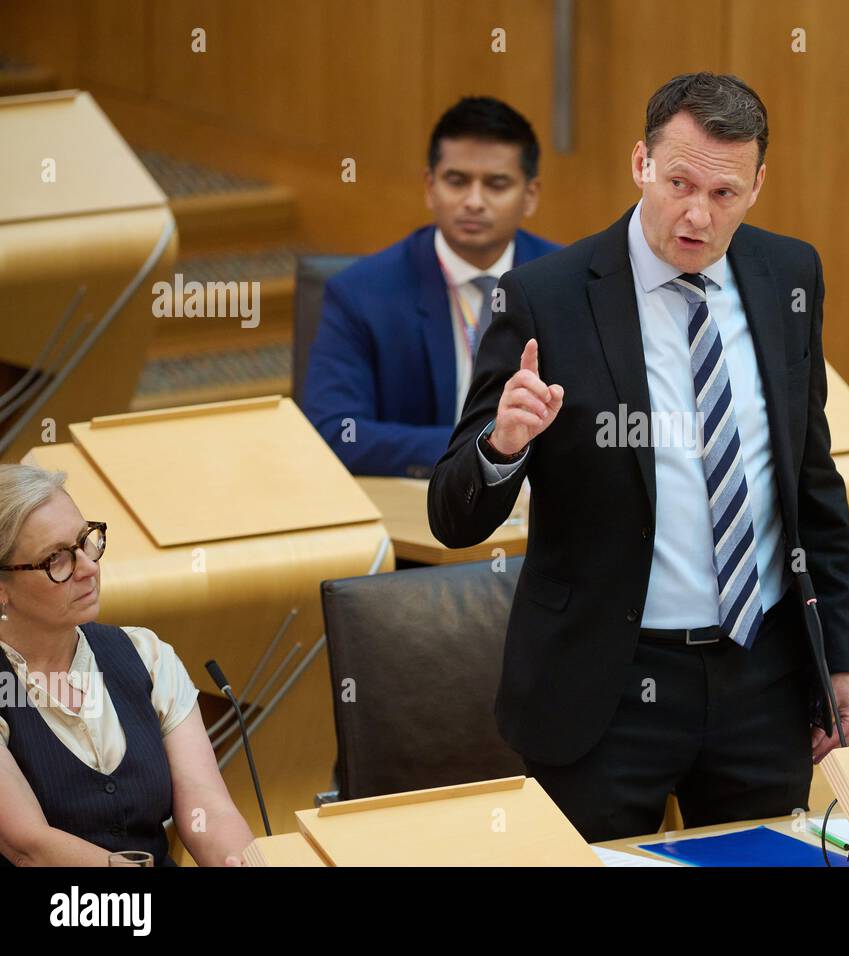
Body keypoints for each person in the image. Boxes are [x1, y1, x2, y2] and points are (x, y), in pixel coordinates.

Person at [429, 73, 849, 841]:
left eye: (725, 193)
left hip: (761, 677)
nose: (698, 214)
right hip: (607, 685)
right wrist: (503, 445)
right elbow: (452, 517)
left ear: (758, 185)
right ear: (641, 162)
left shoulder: (789, 277)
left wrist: (843, 659)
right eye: (679, 183)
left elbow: (810, 485)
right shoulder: (545, 297)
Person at [0, 464, 254, 866]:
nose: (88, 567)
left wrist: (240, 862)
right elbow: (30, 846)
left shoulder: (147, 655)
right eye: (56, 559)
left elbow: (206, 807)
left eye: (86, 541)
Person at [303, 96, 562, 477]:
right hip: (419, 501)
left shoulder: (568, 283)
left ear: (530, 195)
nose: (474, 202)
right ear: (430, 186)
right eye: (457, 181)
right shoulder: (361, 293)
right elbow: (335, 433)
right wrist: (487, 447)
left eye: (496, 184)